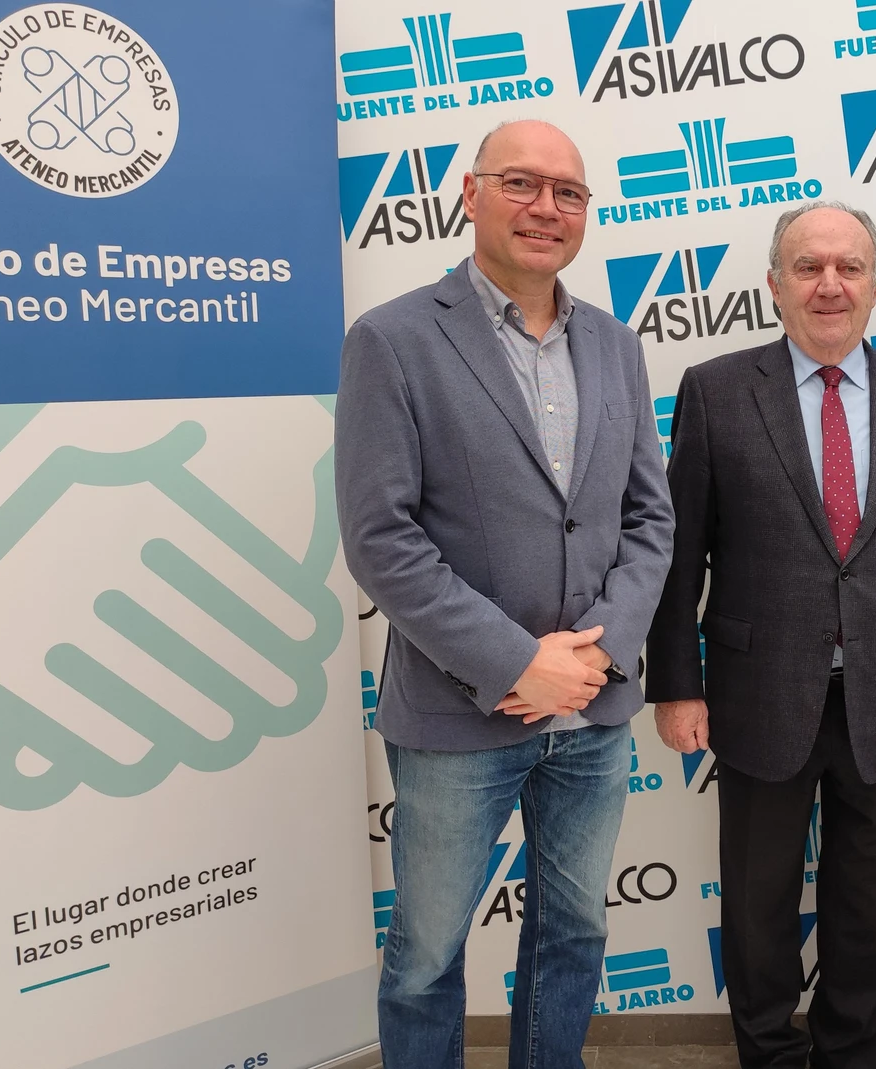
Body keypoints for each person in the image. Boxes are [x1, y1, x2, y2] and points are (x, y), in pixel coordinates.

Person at [334, 119, 674, 1069]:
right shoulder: (393, 339)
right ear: (471, 194)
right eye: (522, 183)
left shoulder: (614, 344)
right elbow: (380, 539)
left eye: (569, 193)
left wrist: (595, 657)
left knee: (573, 936)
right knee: (427, 954)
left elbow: (650, 517)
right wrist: (519, 661)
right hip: (458, 715)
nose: (546, 208)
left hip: (594, 715)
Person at [647, 201, 876, 1069]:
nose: (830, 284)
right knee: (758, 901)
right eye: (807, 266)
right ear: (774, 284)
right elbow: (680, 559)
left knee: (865, 901)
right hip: (759, 692)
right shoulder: (716, 391)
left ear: (875, 281)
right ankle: (766, 1051)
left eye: (849, 266)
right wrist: (677, 683)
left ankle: (850, 1053)